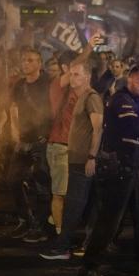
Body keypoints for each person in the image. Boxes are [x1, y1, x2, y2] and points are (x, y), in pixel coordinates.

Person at [78, 65, 139, 276]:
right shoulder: (122, 100)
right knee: (109, 221)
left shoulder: (138, 102)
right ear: (129, 80)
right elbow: (134, 128)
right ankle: (89, 267)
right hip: (119, 169)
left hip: (135, 169)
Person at [39, 57, 104, 261]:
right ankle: (68, 245)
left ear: (87, 76)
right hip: (75, 159)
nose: (72, 78)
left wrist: (91, 157)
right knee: (76, 204)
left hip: (83, 160)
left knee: (75, 205)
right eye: (72, 73)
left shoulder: (91, 97)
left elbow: (97, 129)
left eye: (77, 74)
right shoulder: (79, 97)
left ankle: (64, 247)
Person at [8, 48, 53, 238]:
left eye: (30, 60)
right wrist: (15, 133)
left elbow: (56, 109)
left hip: (41, 140)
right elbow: (13, 109)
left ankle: (40, 225)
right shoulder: (19, 85)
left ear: (39, 64)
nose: (25, 63)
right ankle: (25, 219)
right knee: (12, 180)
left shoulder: (48, 83)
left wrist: (48, 134)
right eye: (24, 60)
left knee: (42, 183)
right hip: (23, 139)